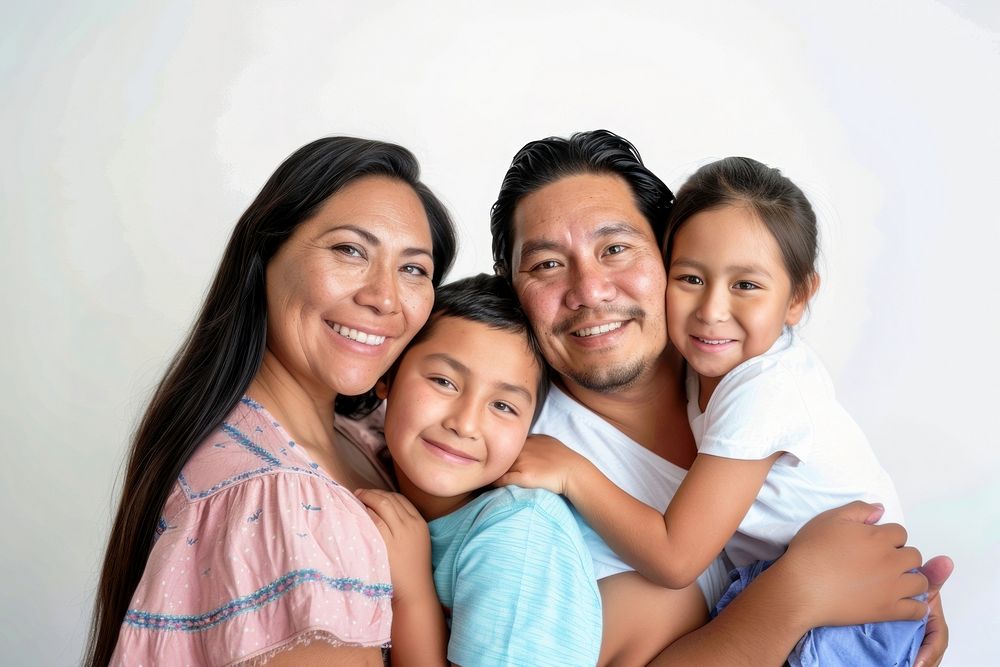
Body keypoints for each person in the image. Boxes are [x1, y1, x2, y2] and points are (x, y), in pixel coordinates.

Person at [489, 130, 950, 665]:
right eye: (546, 264)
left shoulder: (737, 372)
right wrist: (795, 595)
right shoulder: (518, 458)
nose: (590, 290)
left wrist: (896, 593)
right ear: (510, 286)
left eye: (615, 249)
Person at [86, 137, 458, 666]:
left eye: (414, 269)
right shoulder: (278, 501)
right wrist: (413, 593)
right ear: (265, 256)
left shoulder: (363, 437)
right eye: (350, 251)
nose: (384, 297)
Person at [355, 273, 603, 666]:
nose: (465, 424)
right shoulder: (362, 451)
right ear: (387, 376)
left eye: (503, 406)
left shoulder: (518, 531)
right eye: (443, 381)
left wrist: (414, 593)